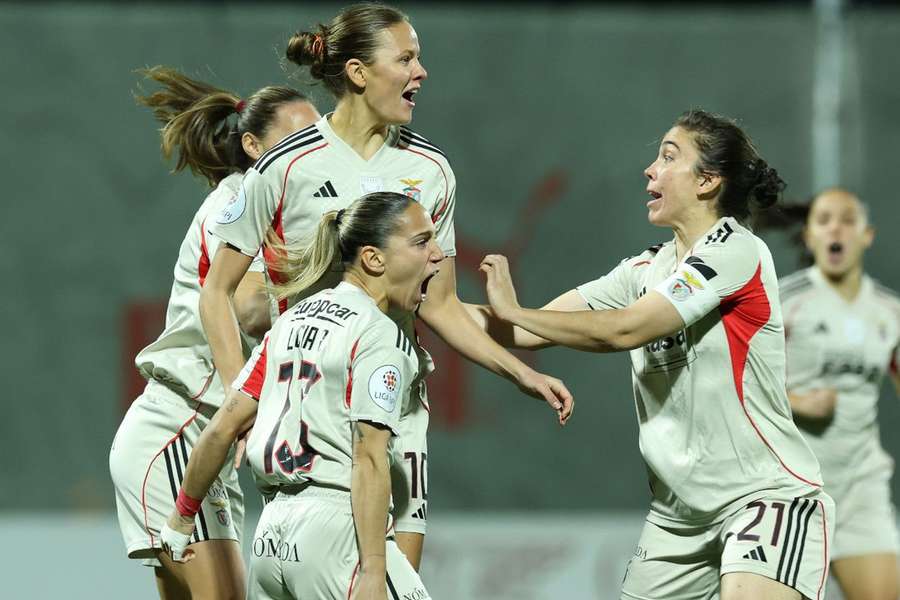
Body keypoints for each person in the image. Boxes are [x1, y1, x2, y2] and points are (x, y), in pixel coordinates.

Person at [199, 2, 573, 570]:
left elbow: (440, 306)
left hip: (394, 395)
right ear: (357, 72)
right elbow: (217, 291)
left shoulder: (431, 172)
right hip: (313, 409)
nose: (421, 72)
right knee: (342, 575)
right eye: (406, 59)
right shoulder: (285, 166)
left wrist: (521, 372)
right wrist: (244, 397)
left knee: (396, 572)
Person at [470, 110, 835, 599]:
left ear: (707, 181)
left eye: (668, 156)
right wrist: (428, 305)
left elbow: (624, 329)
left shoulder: (735, 250)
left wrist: (515, 311)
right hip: (677, 519)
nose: (650, 169)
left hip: (762, 499)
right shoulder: (644, 268)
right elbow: (527, 331)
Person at [160, 192, 441, 600]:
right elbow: (368, 456)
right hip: (337, 532)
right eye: (421, 242)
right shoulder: (378, 335)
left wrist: (181, 518)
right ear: (373, 259)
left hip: (272, 537)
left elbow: (223, 427)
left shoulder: (289, 323)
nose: (437, 254)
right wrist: (373, 572)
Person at [109, 66, 320, 599]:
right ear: (253, 146)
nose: (309, 155)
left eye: (316, 142)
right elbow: (248, 307)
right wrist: (334, 305)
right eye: (296, 141)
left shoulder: (280, 207)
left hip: (208, 446)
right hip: (177, 431)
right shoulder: (243, 199)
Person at [779, 187, 900, 600]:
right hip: (789, 490)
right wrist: (793, 402)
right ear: (810, 236)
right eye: (824, 219)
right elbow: (731, 381)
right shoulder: (783, 302)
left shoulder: (890, 312)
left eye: (847, 220)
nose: (836, 228)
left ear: (866, 235)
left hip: (861, 488)